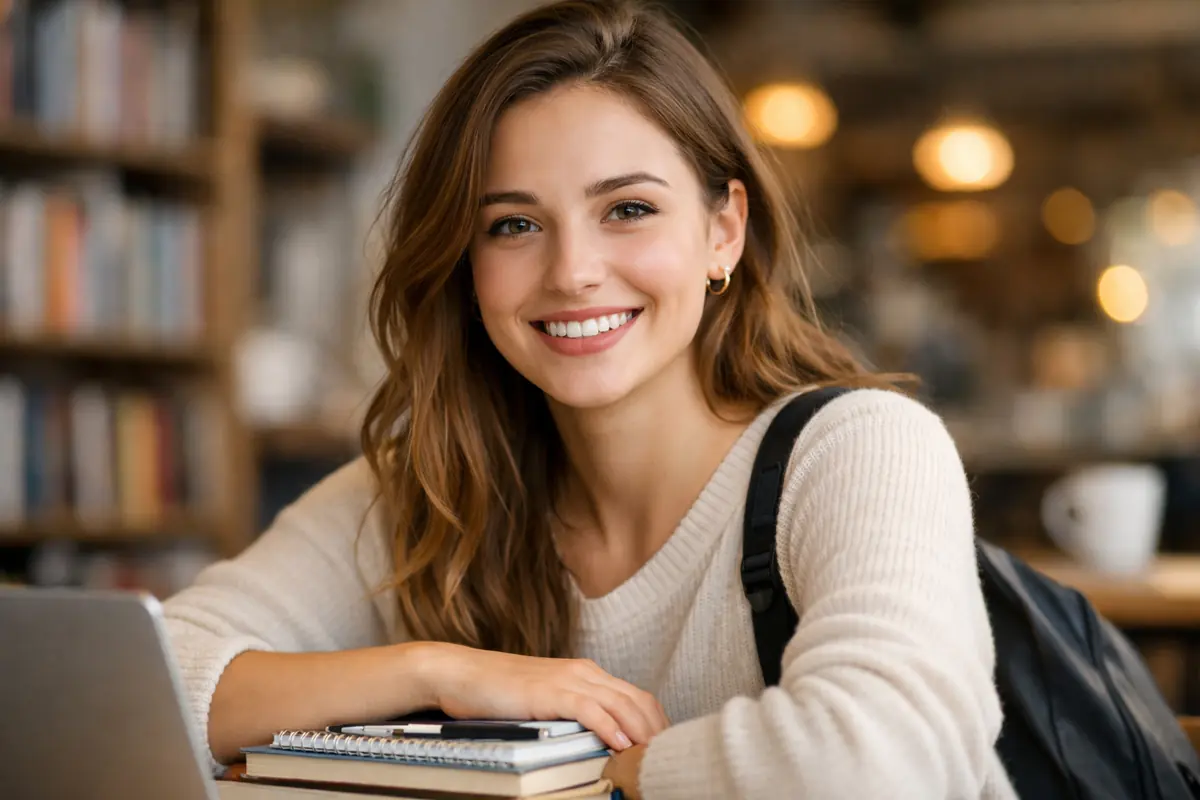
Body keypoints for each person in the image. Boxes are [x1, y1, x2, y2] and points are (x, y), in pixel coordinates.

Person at [162, 1, 1017, 797]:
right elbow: (148, 677)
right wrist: (437, 672)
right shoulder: (428, 488)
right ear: (465, 264)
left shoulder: (860, 449)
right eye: (514, 224)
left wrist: (611, 776)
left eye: (629, 209)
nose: (572, 271)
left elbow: (885, 759)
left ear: (724, 230)